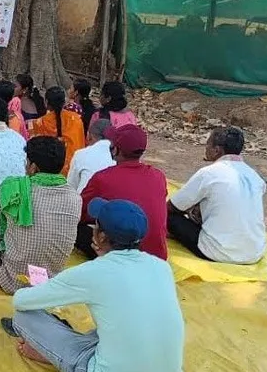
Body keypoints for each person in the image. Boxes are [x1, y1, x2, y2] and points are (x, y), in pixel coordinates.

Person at [11, 198, 184, 372]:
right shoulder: (161, 266)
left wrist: (43, 286)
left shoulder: (94, 271)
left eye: (95, 226)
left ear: (101, 237)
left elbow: (21, 301)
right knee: (124, 324)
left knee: (24, 317)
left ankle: (60, 359)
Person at [0, 136, 81, 294]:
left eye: (26, 162)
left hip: (12, 282)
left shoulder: (16, 188)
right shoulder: (75, 197)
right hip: (49, 283)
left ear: (33, 167)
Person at [167, 126, 267, 264]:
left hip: (218, 251)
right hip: (254, 252)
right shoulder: (255, 177)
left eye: (208, 144)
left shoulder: (209, 173)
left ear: (216, 150)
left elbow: (172, 207)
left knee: (169, 217)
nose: (206, 148)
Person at [78, 124, 168, 261]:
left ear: (115, 150)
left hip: (120, 254)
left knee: (76, 228)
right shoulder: (158, 176)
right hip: (156, 256)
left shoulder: (103, 178)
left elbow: (80, 213)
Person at [30, 86, 85, 176]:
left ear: (46, 102)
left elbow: (36, 150)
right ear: (64, 102)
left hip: (48, 172)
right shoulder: (76, 119)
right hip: (74, 170)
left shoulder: (39, 122)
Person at [67, 118, 114, 193]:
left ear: (89, 136)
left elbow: (71, 187)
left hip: (83, 198)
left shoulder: (81, 154)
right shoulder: (118, 155)